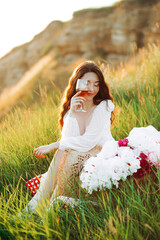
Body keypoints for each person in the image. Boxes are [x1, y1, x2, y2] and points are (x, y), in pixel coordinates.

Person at [25, 60, 116, 213]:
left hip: (100, 153)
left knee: (63, 151)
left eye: (96, 84)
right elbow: (68, 138)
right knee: (64, 151)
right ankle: (38, 208)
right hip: (78, 153)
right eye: (87, 83)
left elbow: (88, 141)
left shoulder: (103, 106)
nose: (92, 89)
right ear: (77, 84)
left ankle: (44, 208)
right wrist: (73, 113)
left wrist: (53, 145)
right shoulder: (72, 107)